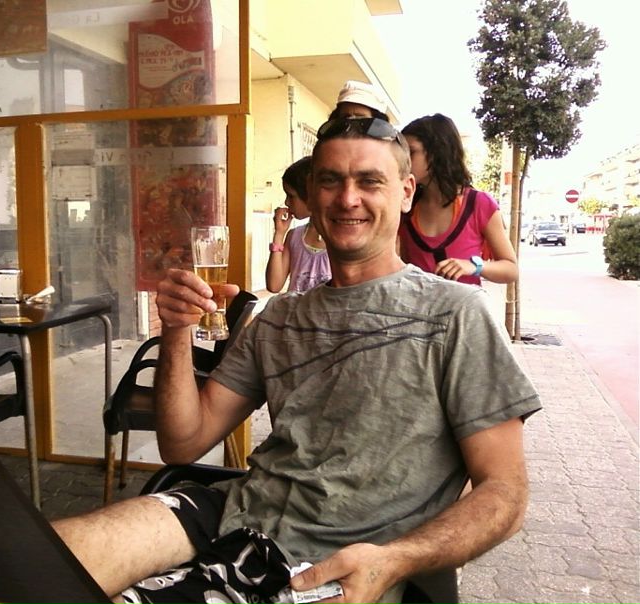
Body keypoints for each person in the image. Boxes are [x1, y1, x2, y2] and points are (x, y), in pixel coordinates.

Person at [54, 116, 541, 604]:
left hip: (333, 561)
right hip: (236, 512)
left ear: (406, 192)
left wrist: (396, 561)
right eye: (330, 180)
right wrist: (177, 331)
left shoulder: (454, 313)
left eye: (369, 181)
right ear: (311, 194)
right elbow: (182, 444)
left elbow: (505, 493)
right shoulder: (279, 318)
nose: (347, 198)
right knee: (45, 557)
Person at [398, 113, 518, 285]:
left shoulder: (479, 204)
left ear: (437, 153)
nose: (403, 161)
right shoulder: (404, 206)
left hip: (466, 303)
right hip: (415, 303)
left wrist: (475, 266)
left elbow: (511, 270)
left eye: (411, 152)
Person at [265, 156, 331, 293]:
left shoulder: (338, 239)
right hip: (297, 308)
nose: (287, 202)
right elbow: (274, 285)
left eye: (291, 196)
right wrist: (279, 234)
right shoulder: (294, 236)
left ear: (310, 195)